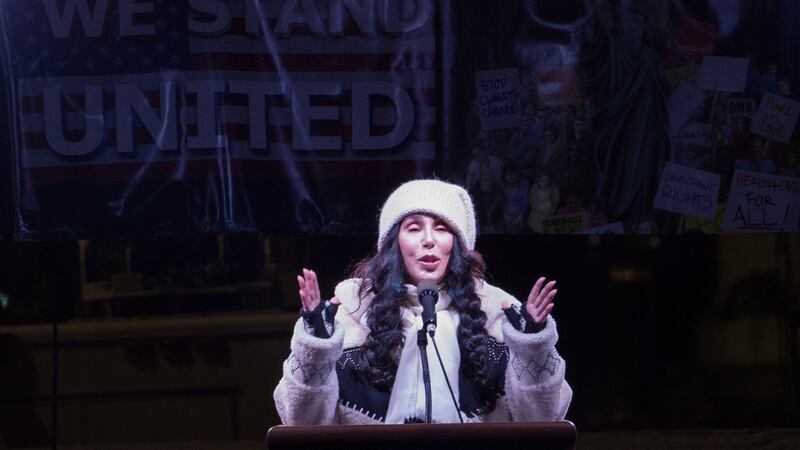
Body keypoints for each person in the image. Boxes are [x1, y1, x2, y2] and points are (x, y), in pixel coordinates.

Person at [274, 179, 572, 424]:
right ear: (394, 243)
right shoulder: (349, 317)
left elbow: (545, 420)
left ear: (456, 244)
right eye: (414, 227)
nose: (428, 239)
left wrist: (533, 345)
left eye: (441, 228)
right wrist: (315, 345)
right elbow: (300, 423)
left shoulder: (497, 316)